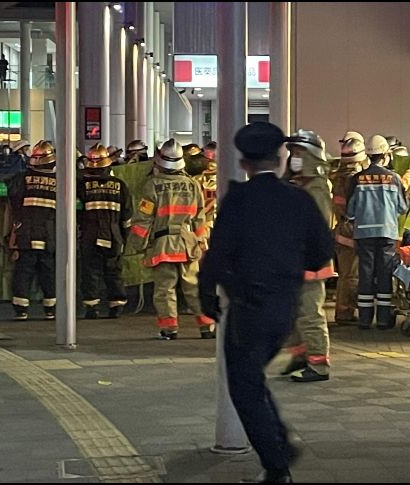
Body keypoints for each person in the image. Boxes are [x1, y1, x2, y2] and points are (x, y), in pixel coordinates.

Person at [198, 121, 333, 484]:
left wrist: (207, 294)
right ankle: (280, 450)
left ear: (244, 163)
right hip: (285, 306)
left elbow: (218, 252)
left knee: (243, 386)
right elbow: (321, 254)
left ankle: (277, 464)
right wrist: (290, 266)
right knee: (252, 380)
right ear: (281, 157)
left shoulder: (238, 200)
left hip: (248, 306)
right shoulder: (300, 199)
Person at [127, 138, 215, 340]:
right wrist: (201, 243)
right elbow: (200, 218)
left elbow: (143, 220)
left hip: (163, 245)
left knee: (165, 290)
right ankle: (207, 326)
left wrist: (137, 245)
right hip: (188, 243)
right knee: (193, 287)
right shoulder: (193, 185)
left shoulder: (152, 186)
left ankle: (169, 329)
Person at [0, 140, 58, 320]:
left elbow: (0, 190)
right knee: (48, 272)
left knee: (23, 271)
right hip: (50, 235)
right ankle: (50, 309)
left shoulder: (22, 178)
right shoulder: (61, 181)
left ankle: (21, 310)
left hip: (25, 233)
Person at [283, 129, 334, 382]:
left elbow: (317, 227)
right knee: (293, 312)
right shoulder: (296, 185)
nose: (294, 157)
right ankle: (301, 356)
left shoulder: (317, 187)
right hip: (294, 260)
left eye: (299, 153)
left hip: (310, 262)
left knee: (310, 313)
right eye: (292, 152)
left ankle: (319, 364)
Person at [347, 135, 408, 330]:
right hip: (387, 233)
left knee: (365, 274)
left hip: (363, 235)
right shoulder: (394, 178)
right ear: (385, 155)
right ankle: (383, 319)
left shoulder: (356, 179)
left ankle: (365, 319)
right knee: (384, 274)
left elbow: (350, 211)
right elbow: (402, 207)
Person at [78, 143, 133, 319]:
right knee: (113, 270)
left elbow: (76, 212)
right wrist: (124, 238)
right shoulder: (120, 185)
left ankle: (91, 307)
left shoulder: (81, 185)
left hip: (89, 235)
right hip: (113, 233)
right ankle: (116, 305)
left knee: (90, 270)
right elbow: (127, 215)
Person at [330, 137, 367, 325]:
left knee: (346, 275)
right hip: (351, 230)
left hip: (342, 228)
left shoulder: (338, 176)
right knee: (351, 275)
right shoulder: (355, 178)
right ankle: (345, 313)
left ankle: (344, 310)